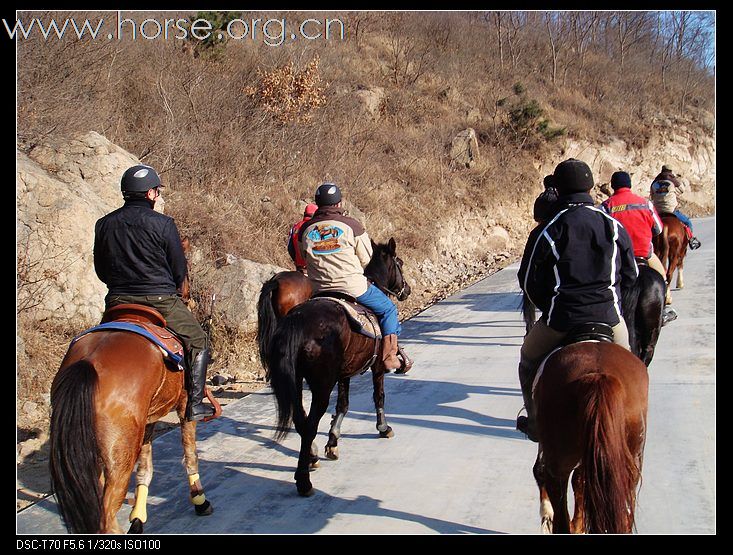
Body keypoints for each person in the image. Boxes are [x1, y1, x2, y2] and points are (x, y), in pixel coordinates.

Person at [516, 159, 638, 442]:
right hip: (608, 317)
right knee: (632, 365)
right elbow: (631, 276)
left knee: (527, 358)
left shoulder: (549, 228)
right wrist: (612, 301)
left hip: (562, 319)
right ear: (591, 186)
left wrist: (551, 308)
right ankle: (632, 424)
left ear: (557, 189)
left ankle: (534, 420)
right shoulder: (613, 225)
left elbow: (528, 282)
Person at [94, 164, 215, 422]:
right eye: (157, 192)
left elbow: (101, 270)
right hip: (160, 300)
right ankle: (194, 404)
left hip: (116, 300)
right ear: (150, 194)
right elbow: (178, 269)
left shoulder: (104, 224)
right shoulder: (163, 224)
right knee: (198, 340)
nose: (158, 196)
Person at [298, 183, 401, 370]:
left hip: (317, 288)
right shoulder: (352, 225)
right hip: (352, 286)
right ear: (339, 204)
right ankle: (389, 356)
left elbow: (300, 255)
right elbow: (367, 257)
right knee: (388, 309)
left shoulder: (306, 228)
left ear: (317, 203)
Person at [601, 171, 671, 304]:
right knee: (662, 275)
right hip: (644, 254)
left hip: (619, 256)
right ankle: (666, 299)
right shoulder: (645, 203)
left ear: (613, 186)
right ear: (630, 184)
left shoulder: (606, 206)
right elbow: (658, 229)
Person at [650, 165, 701, 250]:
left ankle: (648, 242)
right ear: (670, 171)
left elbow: (652, 196)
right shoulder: (673, 180)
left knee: (649, 226)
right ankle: (691, 240)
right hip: (671, 210)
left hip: (658, 211)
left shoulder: (654, 182)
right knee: (688, 222)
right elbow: (682, 190)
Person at [288, 203, 318, 273]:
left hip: (299, 267)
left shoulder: (295, 227)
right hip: (313, 269)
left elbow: (290, 248)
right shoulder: (316, 227)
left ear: (304, 213)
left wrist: (296, 261)